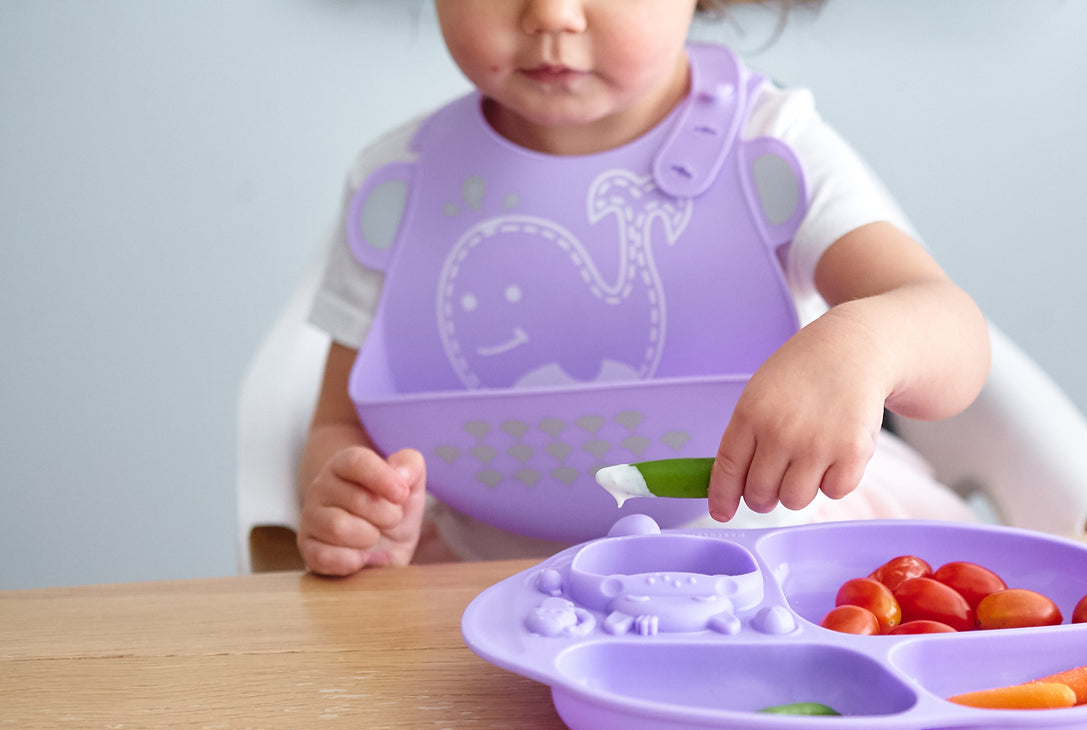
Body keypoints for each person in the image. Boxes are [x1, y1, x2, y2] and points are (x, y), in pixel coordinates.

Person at [298, 0, 991, 576]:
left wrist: (863, 343)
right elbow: (339, 423)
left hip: (779, 562)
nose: (550, 15)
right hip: (488, 583)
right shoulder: (403, 181)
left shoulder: (769, 145)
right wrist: (355, 499)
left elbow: (949, 333)